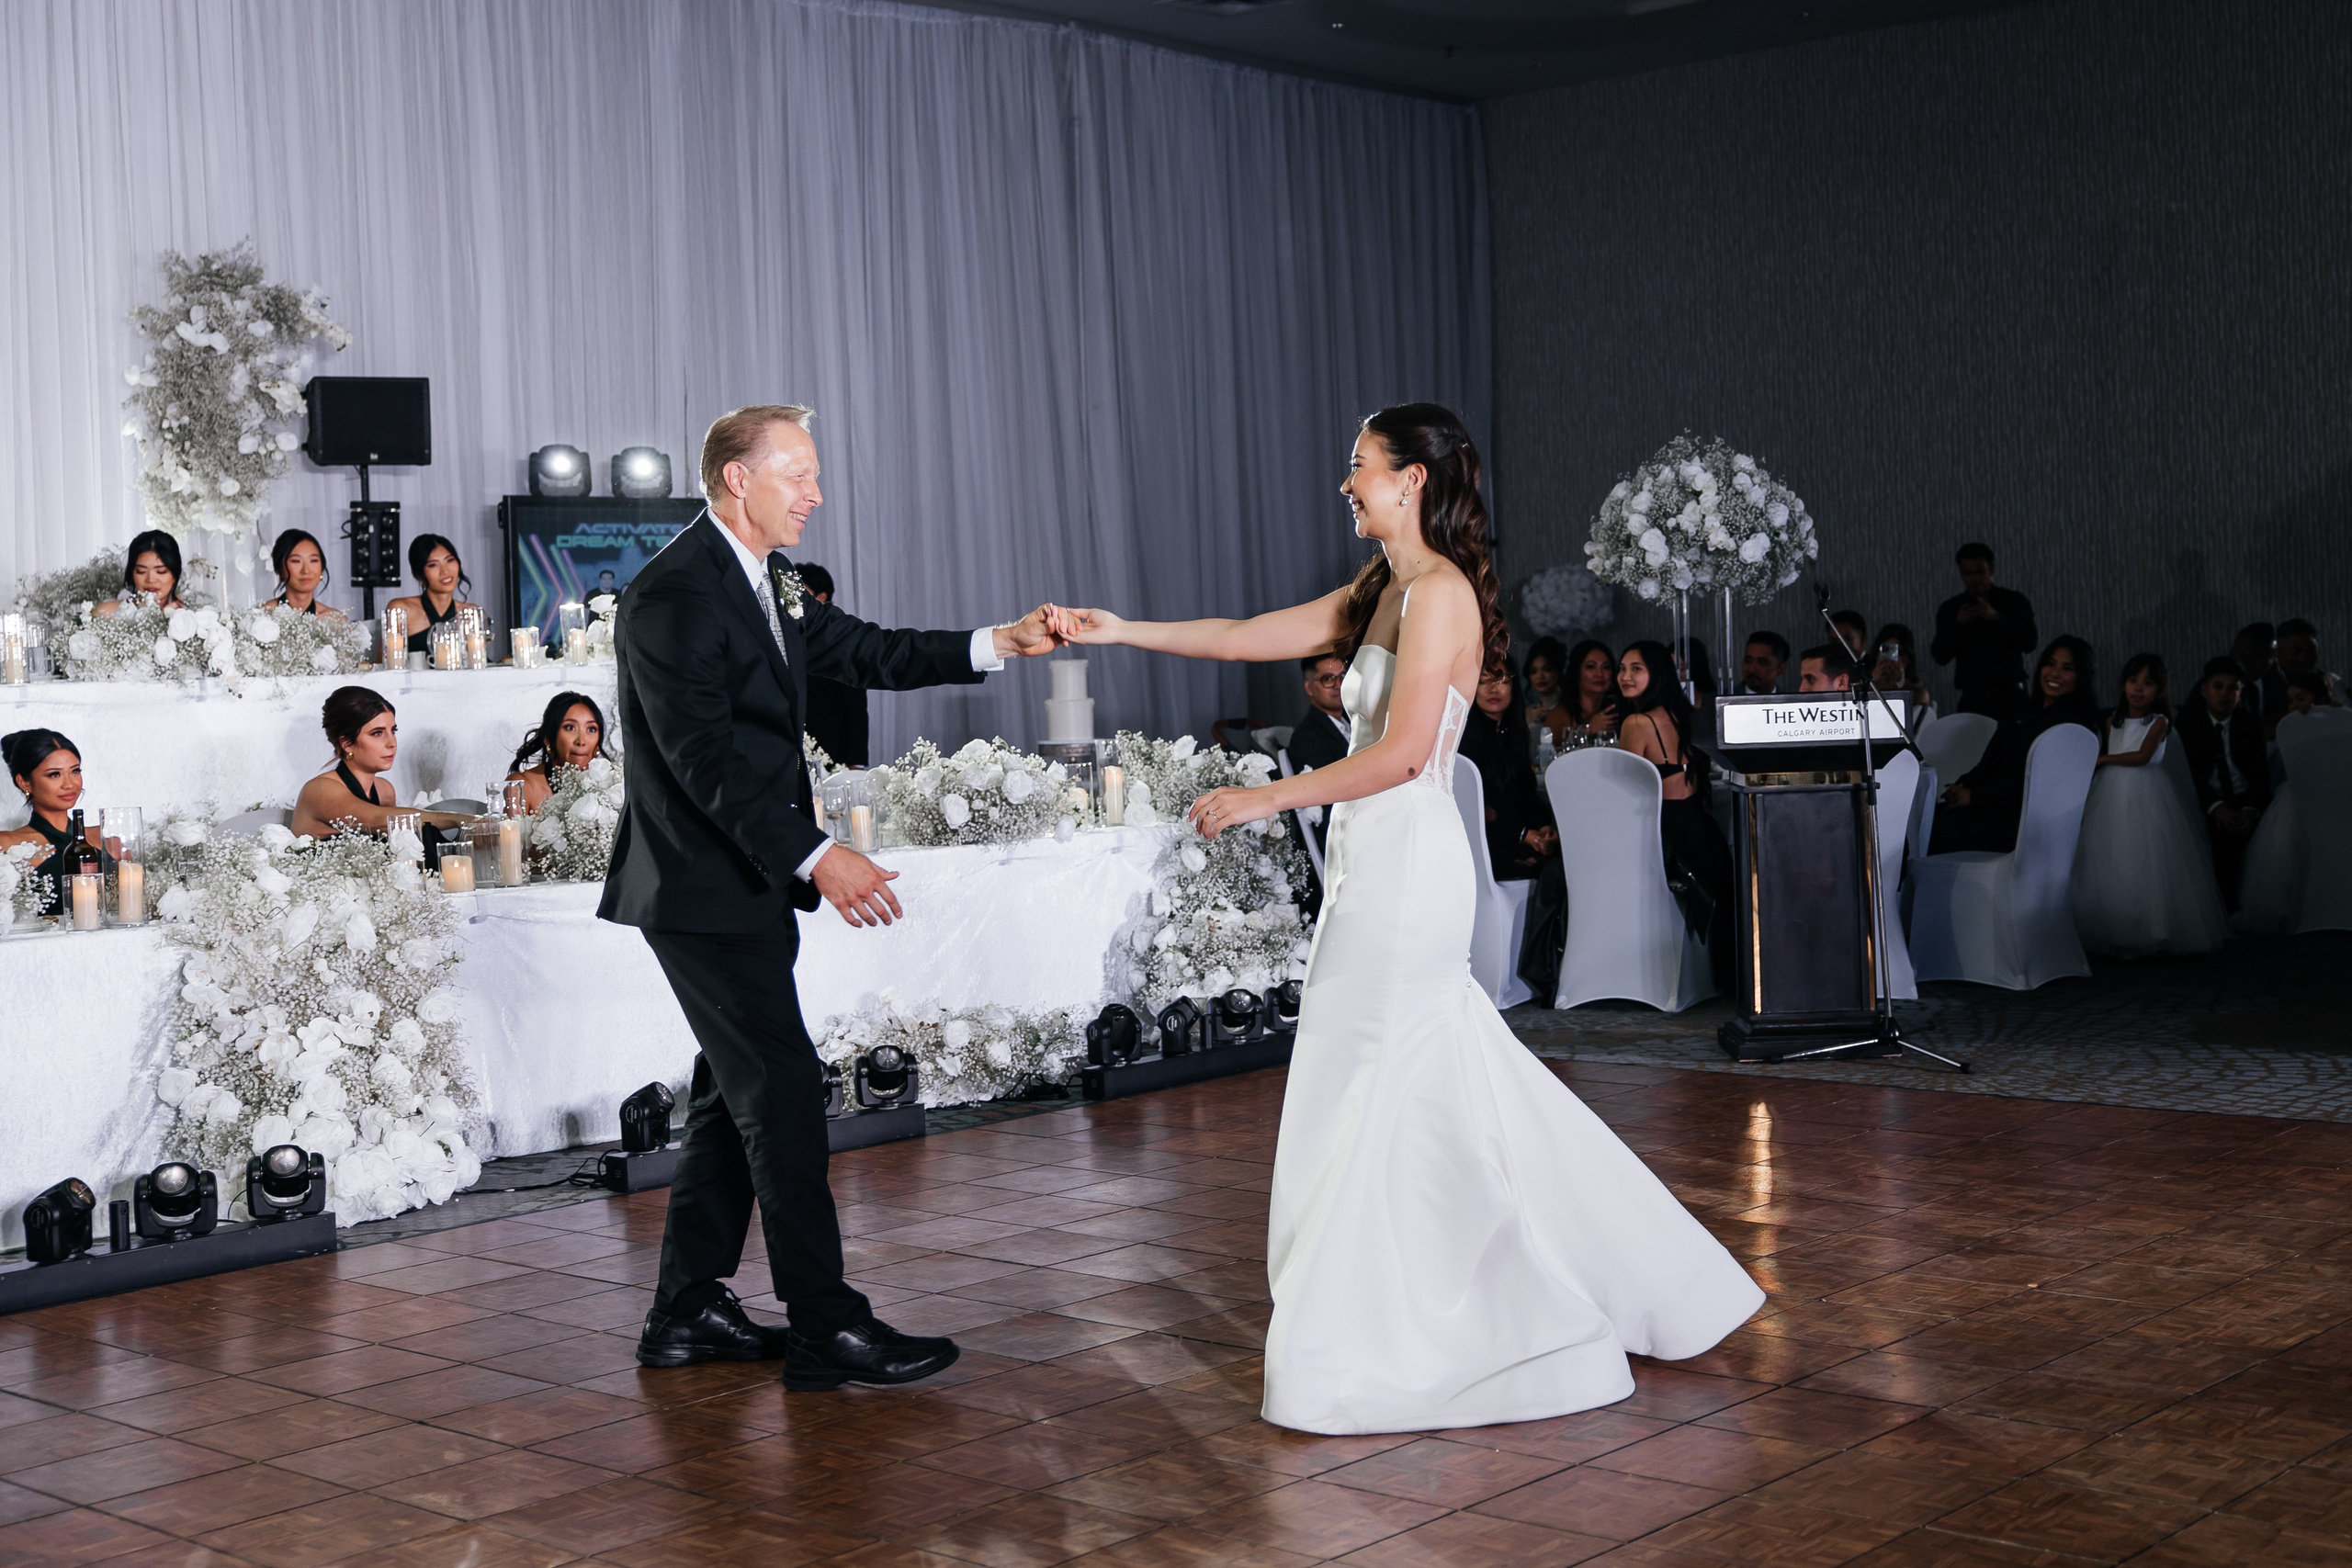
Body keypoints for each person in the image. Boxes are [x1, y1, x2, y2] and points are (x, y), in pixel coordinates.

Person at [1051, 403, 1762, 1434]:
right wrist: (1122, 629)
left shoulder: (1440, 595)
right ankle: (1599, 1273)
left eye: (1360, 466)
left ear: (1412, 480)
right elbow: (1253, 636)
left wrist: (1269, 796)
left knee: (1377, 1078)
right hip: (1369, 861)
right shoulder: (1379, 586)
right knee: (1416, 1072)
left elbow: (1402, 752)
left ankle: (1397, 1329)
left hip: (1408, 860)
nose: (1346, 482)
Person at [598, 403, 1062, 1393]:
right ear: (737, 479)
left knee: (735, 1100)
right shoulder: (675, 596)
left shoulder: (763, 578)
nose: (815, 494)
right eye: (797, 475)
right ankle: (826, 1327)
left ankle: (685, 1312)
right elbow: (705, 765)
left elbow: (870, 652)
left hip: (743, 884)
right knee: (785, 1096)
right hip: (698, 889)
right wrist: (821, 857)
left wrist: (1000, 643)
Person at [2071, 654, 2229, 956]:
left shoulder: (2158, 721)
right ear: (2123, 684)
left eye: (2148, 683)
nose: (2138, 689)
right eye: (2133, 681)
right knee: (2114, 857)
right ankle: (2115, 929)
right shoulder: (2111, 720)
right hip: (2111, 795)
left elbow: (2142, 756)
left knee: (2147, 860)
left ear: (2159, 690)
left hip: (2148, 792)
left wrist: (2102, 759)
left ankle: (2153, 929)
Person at [1619, 638, 1734, 987]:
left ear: (1658, 674)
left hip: (1668, 838)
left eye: (1636, 669)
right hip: (1700, 829)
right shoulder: (1679, 713)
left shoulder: (1637, 723)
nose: (1625, 677)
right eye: (1622, 669)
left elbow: (1625, 792)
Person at [1930, 636, 2099, 854]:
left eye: (2067, 668)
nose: (2055, 673)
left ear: (2082, 676)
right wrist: (1962, 787)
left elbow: (2040, 783)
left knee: (1933, 830)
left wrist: (1974, 797)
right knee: (1923, 821)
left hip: (2018, 820)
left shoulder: (2071, 726)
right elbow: (1989, 763)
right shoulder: (2024, 712)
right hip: (1987, 807)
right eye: (2050, 663)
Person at [292, 688, 471, 840]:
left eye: (393, 731)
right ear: (346, 743)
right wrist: (459, 819)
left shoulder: (384, 790)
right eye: (377, 733)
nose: (391, 743)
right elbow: (377, 820)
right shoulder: (320, 789)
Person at [2173, 656, 2270, 909]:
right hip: (2206, 798)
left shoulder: (2248, 723)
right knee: (2219, 839)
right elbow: (2189, 773)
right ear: (2205, 690)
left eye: (2233, 688)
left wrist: (2251, 808)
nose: (2225, 695)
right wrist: (2216, 805)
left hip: (2243, 796)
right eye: (2218, 687)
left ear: (2240, 693)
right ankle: (2222, 908)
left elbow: (2261, 773)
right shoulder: (2188, 723)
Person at [1461, 660, 1555, 878]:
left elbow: (1525, 793)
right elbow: (1479, 807)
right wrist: (1523, 834)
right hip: (1484, 838)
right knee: (1546, 869)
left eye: (1502, 681)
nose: (1493, 689)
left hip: (1513, 832)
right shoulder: (1469, 736)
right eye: (1483, 681)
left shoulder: (1513, 733)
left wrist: (1543, 828)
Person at [1, 729, 110, 916]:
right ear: (24, 782)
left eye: (75, 771)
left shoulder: (107, 840)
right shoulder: (7, 845)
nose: (69, 784)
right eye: (54, 775)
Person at [1930, 543, 2038, 718]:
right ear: (1961, 573)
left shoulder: (2013, 602)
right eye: (1968, 574)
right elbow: (1940, 656)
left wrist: (1997, 618)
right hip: (1973, 696)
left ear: (1992, 569)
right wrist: (1958, 624)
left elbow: (2029, 642)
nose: (1975, 579)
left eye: (1980, 572)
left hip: (2011, 694)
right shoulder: (1952, 609)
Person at [793, 565, 870, 768]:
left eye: (801, 590)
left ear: (820, 597)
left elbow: (856, 710)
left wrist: (856, 763)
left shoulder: (838, 637)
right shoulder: (782, 634)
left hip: (832, 757)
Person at [508, 691, 613, 814]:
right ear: (549, 738)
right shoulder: (522, 786)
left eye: (591, 729)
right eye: (570, 728)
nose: (581, 741)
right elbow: (507, 832)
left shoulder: (613, 784)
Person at [383, 535, 481, 655]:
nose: (445, 571)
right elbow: (382, 665)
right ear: (419, 575)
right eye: (433, 565)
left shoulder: (471, 612)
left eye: (449, 561)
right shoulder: (400, 610)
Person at [1539, 637, 1620, 754]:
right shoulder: (1559, 715)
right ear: (1576, 672)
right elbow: (1551, 758)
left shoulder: (1617, 711)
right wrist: (1588, 730)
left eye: (1606, 667)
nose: (1599, 674)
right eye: (1591, 666)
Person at [94, 531, 187, 617]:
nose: (150, 579)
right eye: (141, 571)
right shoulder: (105, 613)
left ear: (174, 576)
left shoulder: (192, 619)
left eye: (161, 571)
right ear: (132, 573)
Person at [264, 529, 347, 620]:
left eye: (314, 561)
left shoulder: (335, 620)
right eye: (296, 561)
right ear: (279, 569)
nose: (306, 571)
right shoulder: (262, 617)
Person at [1869, 623, 1936, 725]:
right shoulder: (1862, 688)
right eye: (1886, 652)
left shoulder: (1918, 694)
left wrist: (1899, 689)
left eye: (1898, 653)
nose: (1890, 660)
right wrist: (1871, 684)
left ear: (1907, 659)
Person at [1521, 636, 1568, 735]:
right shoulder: (1526, 713)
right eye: (1533, 671)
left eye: (1547, 669)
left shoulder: (1569, 710)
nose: (1540, 676)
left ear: (1559, 671)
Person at [1739, 631, 1789, 696]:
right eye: (1748, 661)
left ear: (1780, 668)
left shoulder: (1789, 703)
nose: (1752, 669)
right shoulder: (1724, 699)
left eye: (1761, 663)